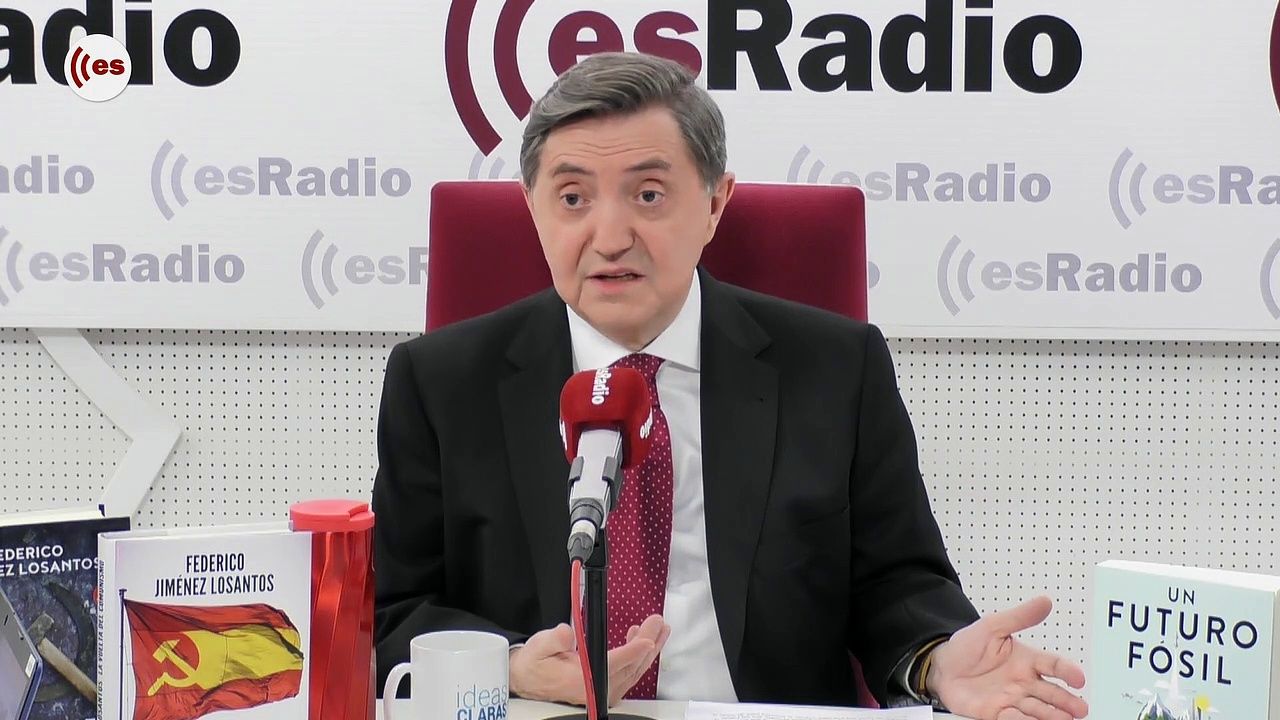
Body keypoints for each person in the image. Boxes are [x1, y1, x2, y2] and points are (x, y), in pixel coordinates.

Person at [372, 51, 1087, 720]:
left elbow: (895, 582)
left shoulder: (836, 368)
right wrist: (511, 666)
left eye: (649, 194)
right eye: (572, 198)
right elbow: (390, 614)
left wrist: (936, 657)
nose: (610, 236)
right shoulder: (440, 383)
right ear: (532, 206)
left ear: (716, 202)